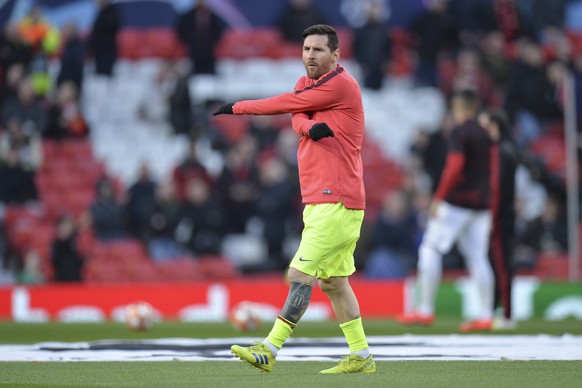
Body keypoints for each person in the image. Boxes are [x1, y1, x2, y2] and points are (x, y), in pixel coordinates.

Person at [213, 24, 375, 374]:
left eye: (318, 50)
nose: (310, 55)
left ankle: (269, 348)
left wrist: (239, 107)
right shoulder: (307, 85)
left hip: (337, 198)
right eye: (306, 49)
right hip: (322, 199)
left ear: (336, 55)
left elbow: (288, 104)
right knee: (333, 282)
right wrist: (306, 128)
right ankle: (361, 355)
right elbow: (297, 113)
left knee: (299, 273)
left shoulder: (341, 84)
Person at [398, 90, 496, 332]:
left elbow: (454, 167)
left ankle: (425, 310)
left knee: (430, 248)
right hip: (481, 204)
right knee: (478, 257)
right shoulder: (486, 134)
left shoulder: (459, 132)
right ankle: (485, 316)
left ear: (459, 108)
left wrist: (438, 198)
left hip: (457, 202)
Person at [478, 108, 519, 329]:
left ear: (494, 126)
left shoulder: (500, 151)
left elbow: (497, 189)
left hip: (500, 215)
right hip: (503, 213)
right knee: (497, 263)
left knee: (502, 264)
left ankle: (507, 314)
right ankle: (496, 311)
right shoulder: (507, 149)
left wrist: (491, 218)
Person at [88, 0, 121, 76]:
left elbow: (108, 29)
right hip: (98, 51)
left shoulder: (113, 12)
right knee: (99, 78)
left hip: (107, 51)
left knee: (105, 77)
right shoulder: (100, 14)